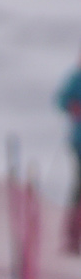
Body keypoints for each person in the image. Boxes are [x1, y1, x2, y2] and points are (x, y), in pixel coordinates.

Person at [57, 47, 81, 256]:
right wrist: (72, 106)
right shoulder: (76, 78)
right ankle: (72, 237)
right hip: (79, 142)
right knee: (78, 190)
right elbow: (61, 99)